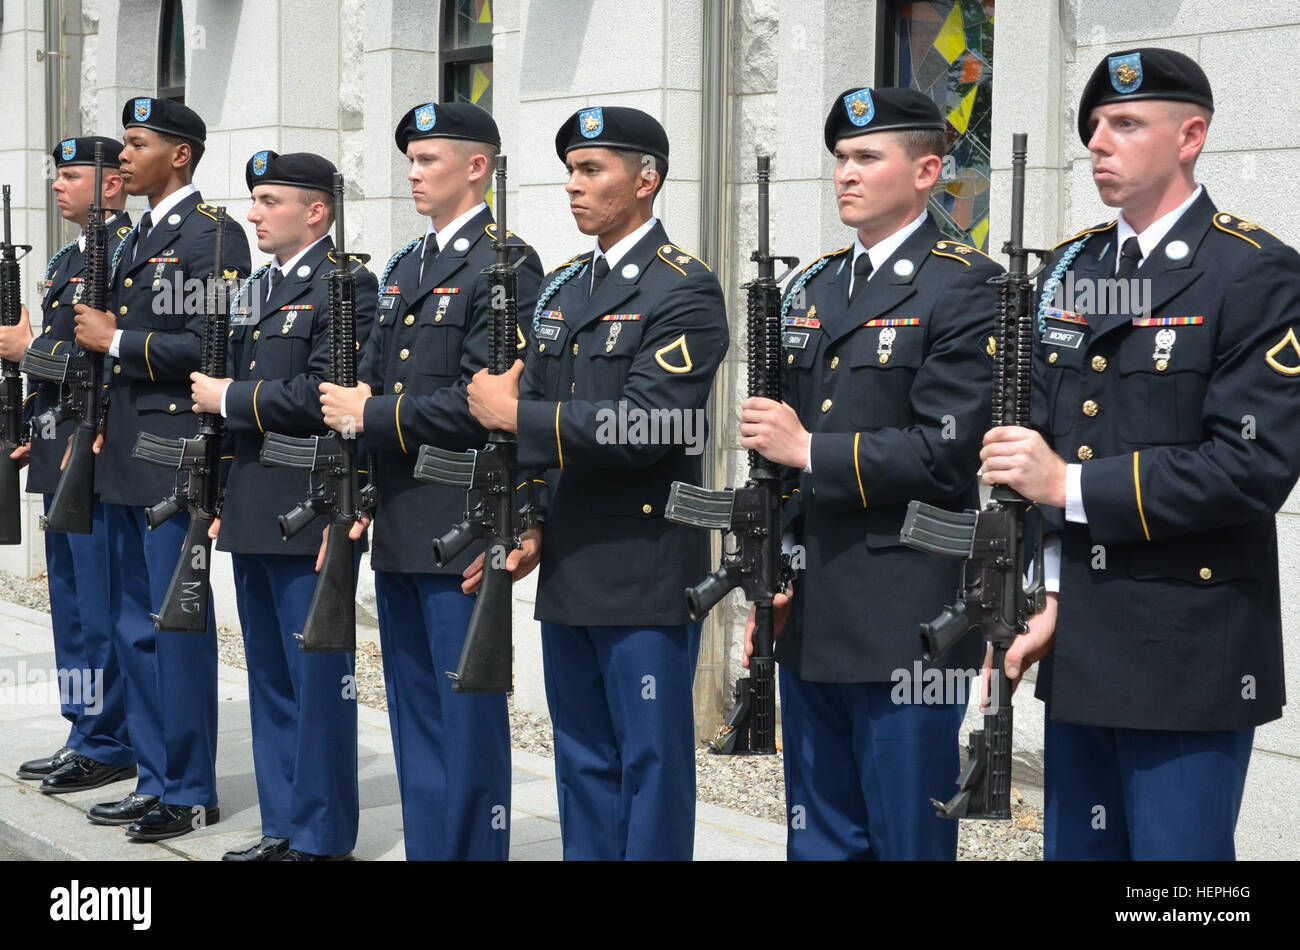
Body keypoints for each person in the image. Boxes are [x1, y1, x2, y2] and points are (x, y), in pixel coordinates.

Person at [981, 48, 1300, 860]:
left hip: (1189, 645)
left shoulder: (1253, 272)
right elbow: (1043, 439)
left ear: (1190, 135)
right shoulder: (1071, 268)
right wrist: (1041, 593)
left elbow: (1251, 466)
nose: (1099, 143)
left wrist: (1070, 482)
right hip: (1082, 638)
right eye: (1093, 127)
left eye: (1125, 124)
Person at [738, 87, 999, 860]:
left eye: (864, 157)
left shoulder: (966, 285)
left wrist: (809, 449)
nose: (844, 175)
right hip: (813, 604)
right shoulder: (812, 286)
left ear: (927, 171)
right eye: (840, 160)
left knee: (906, 835)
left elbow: (945, 450)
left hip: (908, 613)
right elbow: (773, 460)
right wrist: (771, 561)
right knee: (818, 835)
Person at [465, 106, 729, 860]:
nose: (573, 187)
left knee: (649, 763)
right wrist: (531, 521)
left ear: (646, 180)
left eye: (592, 171)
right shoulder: (567, 289)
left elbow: (648, 425)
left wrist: (518, 417)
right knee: (581, 759)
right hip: (573, 558)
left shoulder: (684, 290)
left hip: (644, 563)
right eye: (571, 171)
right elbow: (547, 434)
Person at [319, 101, 542, 860]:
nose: (413, 173)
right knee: (413, 711)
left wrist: (372, 414)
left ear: (477, 167)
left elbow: (488, 401)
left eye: (428, 160)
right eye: (410, 160)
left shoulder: (506, 262)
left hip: (461, 519)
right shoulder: (405, 264)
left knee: (465, 713)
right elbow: (374, 376)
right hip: (401, 518)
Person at [72, 97, 250, 842]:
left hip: (174, 459)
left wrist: (118, 342)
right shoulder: (125, 237)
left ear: (180, 154)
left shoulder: (212, 237)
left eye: (136, 145)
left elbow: (218, 350)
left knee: (174, 626)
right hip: (124, 457)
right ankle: (152, 777)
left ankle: (188, 789)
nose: (121, 158)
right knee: (129, 626)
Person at [190, 151, 375, 861]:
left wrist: (230, 397)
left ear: (316, 211)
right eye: (254, 200)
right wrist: (218, 493)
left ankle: (323, 836)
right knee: (269, 678)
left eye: (269, 200)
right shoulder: (256, 288)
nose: (254, 213)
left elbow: (328, 398)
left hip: (311, 505)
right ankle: (284, 826)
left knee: (318, 679)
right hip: (253, 502)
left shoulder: (345, 285)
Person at [8, 136, 135, 794]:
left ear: (110, 185)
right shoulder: (66, 257)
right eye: (55, 176)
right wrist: (32, 421)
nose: (57, 186)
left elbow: (106, 361)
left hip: (96, 453)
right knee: (70, 605)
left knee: (100, 601)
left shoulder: (127, 255)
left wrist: (27, 350)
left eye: (70, 176)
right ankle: (83, 729)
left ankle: (111, 738)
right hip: (59, 447)